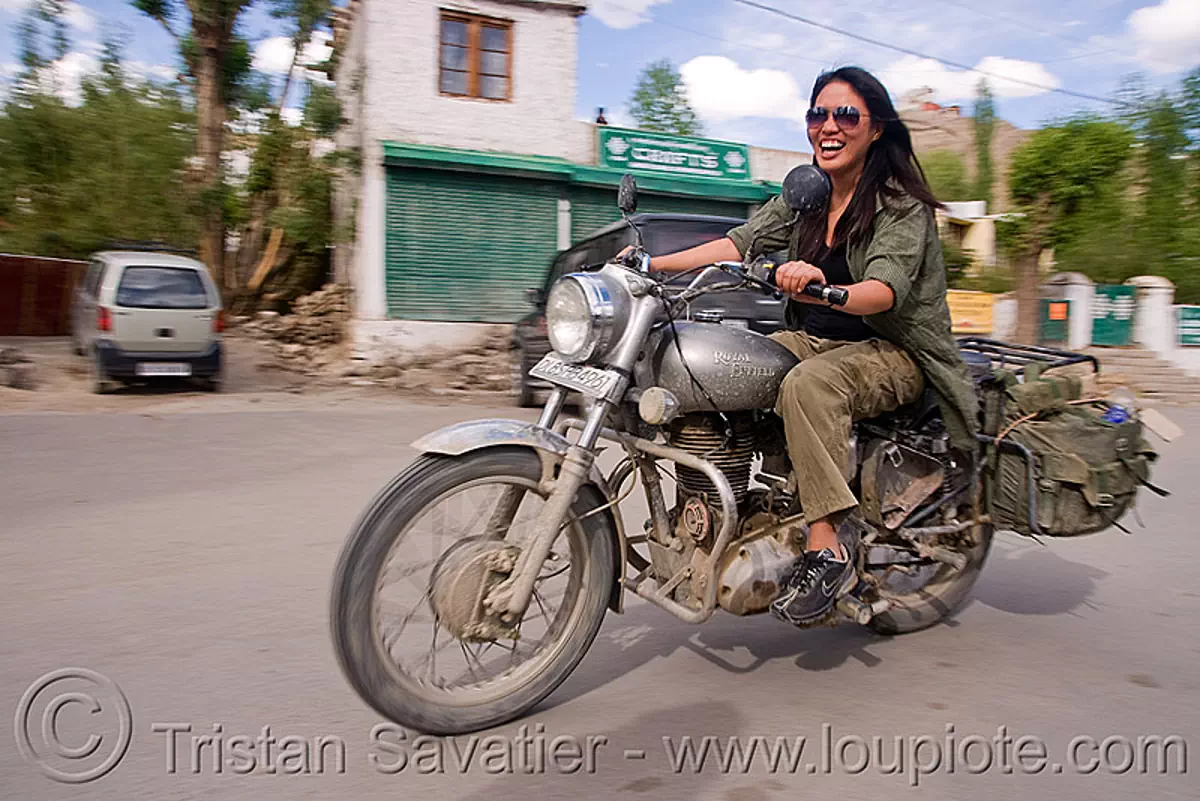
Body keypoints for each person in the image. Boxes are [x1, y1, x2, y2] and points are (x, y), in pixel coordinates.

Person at [631, 66, 979, 626]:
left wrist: (822, 286)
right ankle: (731, 503)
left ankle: (828, 543)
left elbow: (881, 292)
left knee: (807, 385)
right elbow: (736, 242)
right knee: (724, 363)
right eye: (819, 114)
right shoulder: (805, 195)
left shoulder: (900, 206)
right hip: (817, 338)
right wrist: (650, 264)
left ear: (876, 130)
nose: (829, 127)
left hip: (896, 350)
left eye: (846, 115)